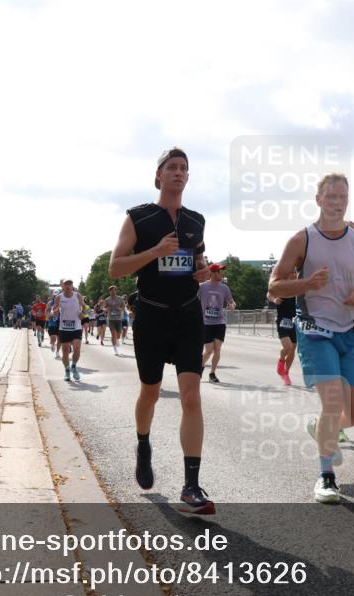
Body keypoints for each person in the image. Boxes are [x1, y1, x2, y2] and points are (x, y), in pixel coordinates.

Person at [108, 147, 214, 514]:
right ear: (159, 176)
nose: (179, 173)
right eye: (172, 167)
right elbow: (116, 268)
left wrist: (201, 272)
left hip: (187, 315)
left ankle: (191, 485)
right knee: (150, 393)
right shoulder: (139, 218)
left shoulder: (196, 220)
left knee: (191, 397)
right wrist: (153, 252)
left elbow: (198, 261)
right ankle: (143, 443)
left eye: (184, 168)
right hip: (151, 316)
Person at [268, 173, 354, 504]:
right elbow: (274, 287)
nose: (337, 202)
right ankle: (326, 476)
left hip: (350, 332)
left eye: (342, 197)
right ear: (318, 199)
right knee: (332, 402)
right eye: (330, 196)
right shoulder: (302, 240)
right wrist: (305, 285)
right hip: (315, 331)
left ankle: (322, 428)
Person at [199, 264, 236, 382]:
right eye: (220, 271)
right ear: (214, 273)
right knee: (208, 350)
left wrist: (232, 305)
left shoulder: (224, 288)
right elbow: (193, 300)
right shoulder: (202, 287)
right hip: (206, 323)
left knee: (217, 349)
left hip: (219, 322)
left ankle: (212, 374)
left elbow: (231, 300)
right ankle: (200, 366)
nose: (222, 274)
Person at [50, 280, 84, 381]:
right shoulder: (59, 297)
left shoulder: (77, 295)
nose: (68, 286)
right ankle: (67, 370)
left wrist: (83, 313)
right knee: (65, 351)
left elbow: (83, 306)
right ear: (63, 287)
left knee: (77, 349)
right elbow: (54, 310)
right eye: (66, 285)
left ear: (72, 286)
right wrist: (54, 312)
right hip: (63, 328)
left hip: (76, 327)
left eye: (70, 284)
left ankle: (73, 366)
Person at [268, 271, 298, 386]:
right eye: (292, 274)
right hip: (282, 321)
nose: (294, 276)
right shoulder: (281, 286)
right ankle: (281, 361)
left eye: (296, 275)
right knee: (288, 347)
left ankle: (286, 373)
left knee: (292, 349)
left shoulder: (298, 288)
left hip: (294, 321)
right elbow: (269, 294)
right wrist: (274, 300)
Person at [105, 285, 126, 356]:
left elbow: (123, 307)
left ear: (116, 291)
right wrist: (107, 309)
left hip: (119, 318)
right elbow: (104, 308)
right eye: (111, 290)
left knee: (118, 335)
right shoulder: (107, 299)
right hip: (111, 319)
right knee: (113, 334)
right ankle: (115, 349)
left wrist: (120, 308)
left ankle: (117, 340)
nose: (113, 292)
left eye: (114, 290)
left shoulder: (120, 299)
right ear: (109, 292)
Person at [47, 290, 61, 358]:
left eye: (58, 295)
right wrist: (48, 315)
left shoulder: (62, 303)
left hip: (60, 322)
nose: (56, 297)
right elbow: (47, 311)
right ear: (53, 295)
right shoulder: (50, 303)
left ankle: (57, 352)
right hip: (52, 322)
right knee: (53, 337)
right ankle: (52, 344)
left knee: (59, 338)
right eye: (55, 295)